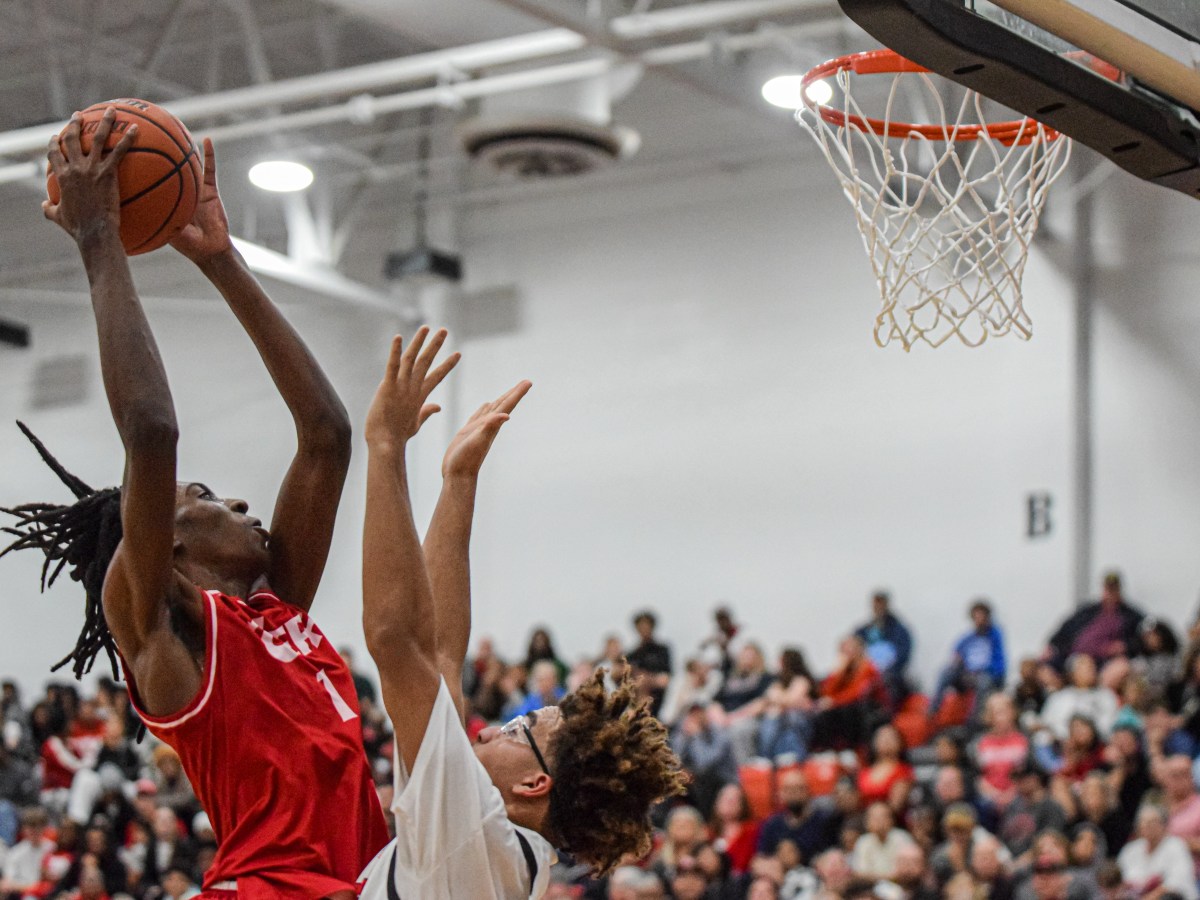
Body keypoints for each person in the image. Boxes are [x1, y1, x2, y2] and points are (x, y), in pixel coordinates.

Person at [0, 114, 389, 898]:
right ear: (165, 549)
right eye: (204, 497)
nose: (240, 500)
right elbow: (151, 432)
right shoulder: (169, 640)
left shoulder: (280, 613)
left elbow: (327, 436)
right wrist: (99, 240)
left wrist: (224, 262)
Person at [354, 329, 686, 898]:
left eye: (518, 728)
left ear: (535, 782)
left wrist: (386, 447)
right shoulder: (498, 850)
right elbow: (438, 655)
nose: (485, 729)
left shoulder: (473, 835)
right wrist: (458, 481)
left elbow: (394, 639)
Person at [1044, 572, 1145, 669]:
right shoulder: (1088, 611)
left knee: (1087, 667)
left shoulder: (1131, 616)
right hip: (1071, 655)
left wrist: (1125, 646)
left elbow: (1145, 639)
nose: (1110, 594)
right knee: (1035, 667)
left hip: (1101, 661)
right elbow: (1066, 628)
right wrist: (1052, 644)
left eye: (1113, 590)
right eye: (1108, 589)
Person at [930, 600, 1007, 720]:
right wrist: (958, 662)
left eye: (981, 616)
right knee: (945, 672)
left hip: (984, 675)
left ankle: (973, 721)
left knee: (983, 682)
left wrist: (985, 672)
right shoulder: (968, 638)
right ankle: (933, 709)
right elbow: (956, 654)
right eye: (976, 616)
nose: (978, 620)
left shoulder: (995, 636)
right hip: (966, 675)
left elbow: (999, 663)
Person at [1116, 805, 1198, 899]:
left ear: (1164, 825)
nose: (1147, 826)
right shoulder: (1130, 849)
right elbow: (1119, 880)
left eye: (1152, 822)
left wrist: (1149, 897)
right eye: (1143, 822)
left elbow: (1177, 882)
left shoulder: (1176, 846)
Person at [854, 591, 913, 704]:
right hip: (866, 671)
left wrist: (888, 669)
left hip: (889, 673)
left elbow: (903, 654)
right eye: (875, 605)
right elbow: (853, 643)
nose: (877, 608)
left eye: (880, 604)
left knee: (886, 683)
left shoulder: (898, 630)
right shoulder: (865, 629)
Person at [627, 612, 673, 716]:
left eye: (646, 626)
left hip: (657, 698)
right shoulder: (632, 654)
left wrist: (647, 679)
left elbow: (665, 679)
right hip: (636, 695)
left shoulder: (662, 650)